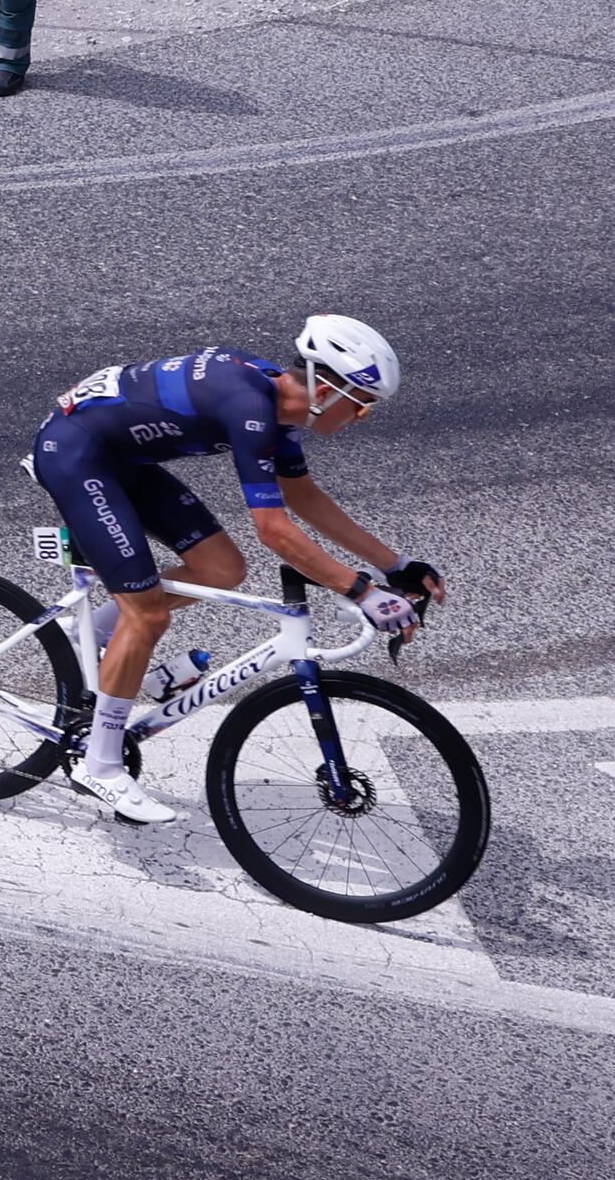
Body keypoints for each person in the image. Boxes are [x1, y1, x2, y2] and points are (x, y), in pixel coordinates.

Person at [30, 326, 437, 825]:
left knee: (222, 569)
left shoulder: (278, 407)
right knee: (149, 616)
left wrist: (395, 567)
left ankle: (92, 630)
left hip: (119, 458)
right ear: (328, 391)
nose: (362, 417)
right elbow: (274, 531)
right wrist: (362, 591)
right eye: (362, 404)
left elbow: (304, 499)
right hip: (75, 455)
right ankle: (101, 763)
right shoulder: (249, 406)